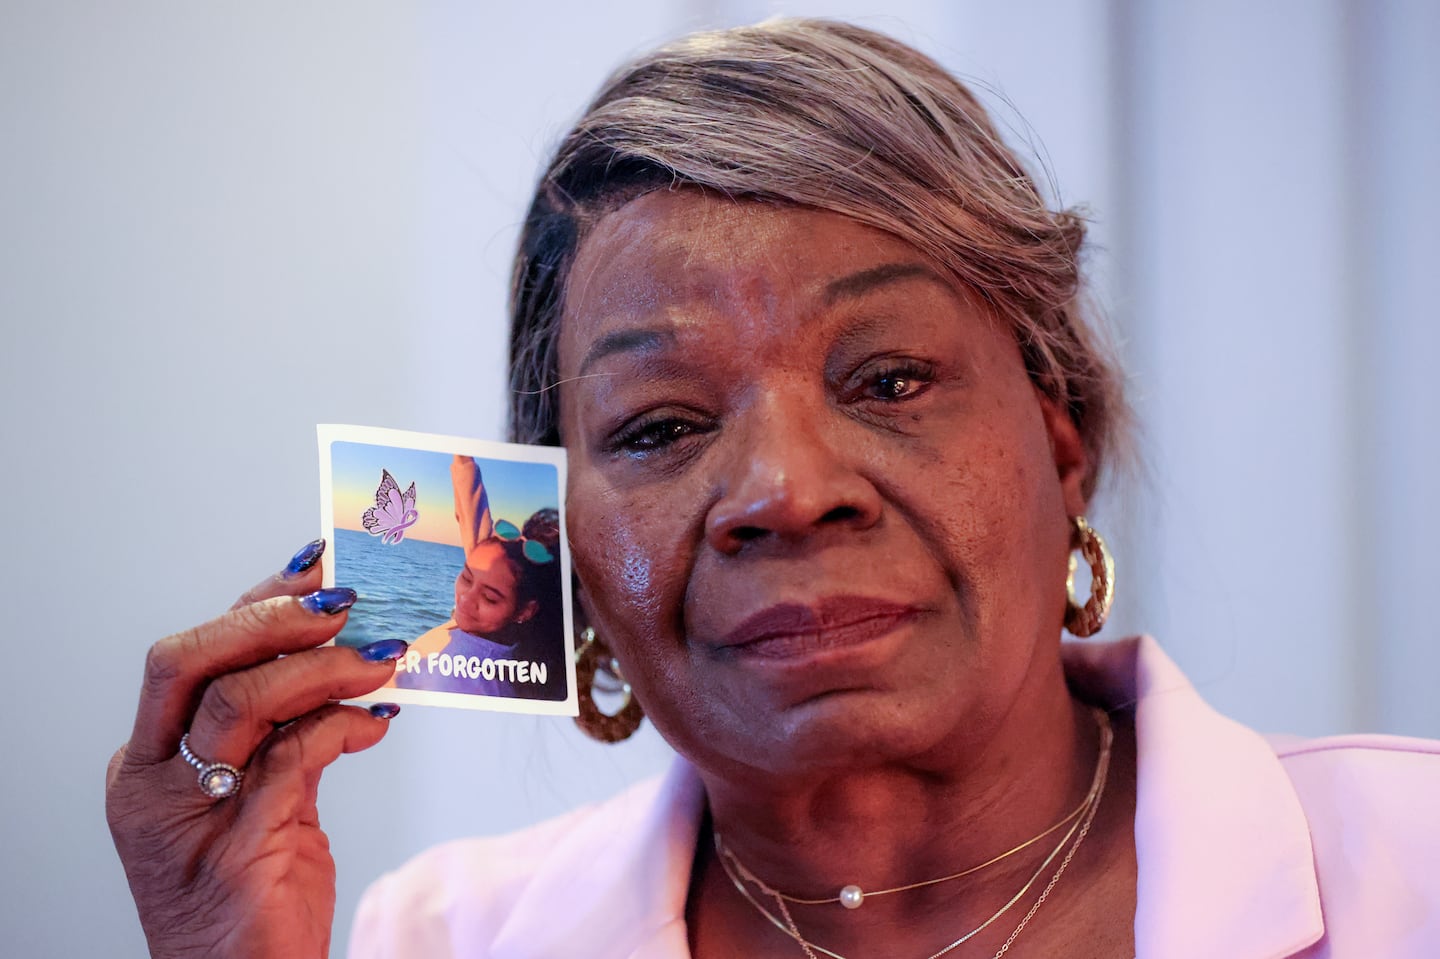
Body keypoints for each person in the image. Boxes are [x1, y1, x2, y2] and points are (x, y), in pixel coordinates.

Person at [105, 17, 1440, 959]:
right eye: (662, 424)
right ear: (552, 537)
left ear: (1061, 432)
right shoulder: (441, 935)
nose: (788, 491)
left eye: (892, 379)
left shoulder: (1415, 868)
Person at [390, 455, 565, 699]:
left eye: (490, 598)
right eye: (467, 577)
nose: (466, 599)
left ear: (525, 611)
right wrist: (463, 458)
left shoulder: (464, 683)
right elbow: (477, 531)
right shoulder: (491, 637)